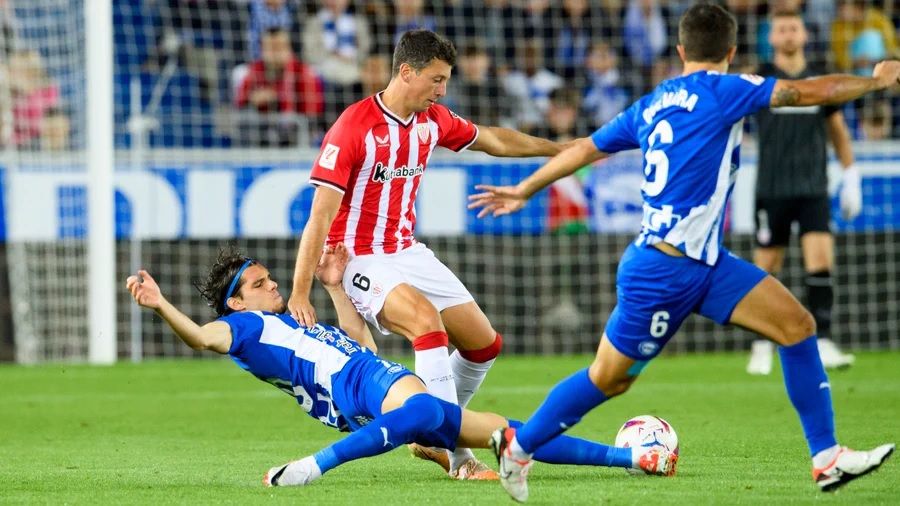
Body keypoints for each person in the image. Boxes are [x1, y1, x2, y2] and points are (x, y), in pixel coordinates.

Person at [469, 3, 896, 502]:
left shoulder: (652, 103)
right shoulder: (726, 89)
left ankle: (826, 458)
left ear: (680, 50)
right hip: (665, 270)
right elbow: (805, 92)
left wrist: (525, 189)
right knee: (607, 379)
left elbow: (585, 148)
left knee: (797, 325)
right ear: (731, 52)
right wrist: (875, 81)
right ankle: (519, 447)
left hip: (704, 264)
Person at [125, 244, 675, 487]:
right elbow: (201, 337)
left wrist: (334, 287)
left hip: (366, 388)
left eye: (271, 278)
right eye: (260, 283)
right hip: (362, 392)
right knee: (433, 415)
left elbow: (357, 341)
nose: (274, 286)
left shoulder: (290, 322)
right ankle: (317, 467)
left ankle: (634, 458)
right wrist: (161, 304)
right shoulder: (244, 328)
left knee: (511, 435)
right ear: (237, 302)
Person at [287, 29, 567, 480]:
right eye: (436, 80)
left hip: (407, 250)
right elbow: (319, 217)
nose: (442, 90)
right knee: (425, 322)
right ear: (406, 72)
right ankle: (458, 456)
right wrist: (300, 291)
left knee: (483, 345)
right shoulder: (354, 127)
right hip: (360, 258)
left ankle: (425, 427)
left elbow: (494, 140)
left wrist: (563, 149)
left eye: (445, 81)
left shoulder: (432, 120)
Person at [747, 9, 859, 376]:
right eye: (781, 29)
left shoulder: (819, 80)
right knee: (766, 267)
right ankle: (762, 343)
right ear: (772, 37)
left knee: (820, 260)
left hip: (812, 186)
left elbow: (838, 129)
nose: (788, 34)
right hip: (772, 188)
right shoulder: (761, 79)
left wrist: (851, 173)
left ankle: (823, 339)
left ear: (805, 35)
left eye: (793, 28)